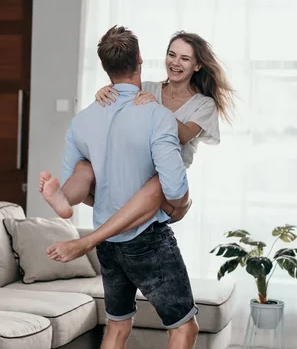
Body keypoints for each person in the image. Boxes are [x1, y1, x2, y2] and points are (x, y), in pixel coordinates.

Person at [49, 25, 199, 348]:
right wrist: (184, 204)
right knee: (184, 328)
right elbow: (173, 189)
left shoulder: (83, 120)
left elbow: (82, 183)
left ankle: (73, 217)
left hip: (107, 240)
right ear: (140, 60)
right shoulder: (157, 115)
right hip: (146, 238)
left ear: (105, 69)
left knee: (118, 325)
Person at [40, 30, 234, 262]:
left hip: (162, 182)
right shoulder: (149, 88)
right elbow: (121, 104)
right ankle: (64, 197)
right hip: (131, 173)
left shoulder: (204, 104)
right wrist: (104, 91)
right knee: (84, 168)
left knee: (157, 185)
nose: (175, 62)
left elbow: (184, 135)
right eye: (171, 55)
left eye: (184, 58)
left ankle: (88, 241)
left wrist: (157, 109)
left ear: (198, 66)